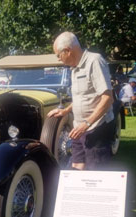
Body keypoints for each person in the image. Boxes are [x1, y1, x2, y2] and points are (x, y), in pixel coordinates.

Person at [47, 32, 114, 170]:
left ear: (67, 51)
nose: (59, 59)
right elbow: (82, 97)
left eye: (58, 55)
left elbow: (108, 98)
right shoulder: (74, 69)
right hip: (78, 128)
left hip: (97, 127)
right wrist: (65, 110)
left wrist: (87, 123)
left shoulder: (94, 61)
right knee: (77, 166)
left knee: (94, 171)